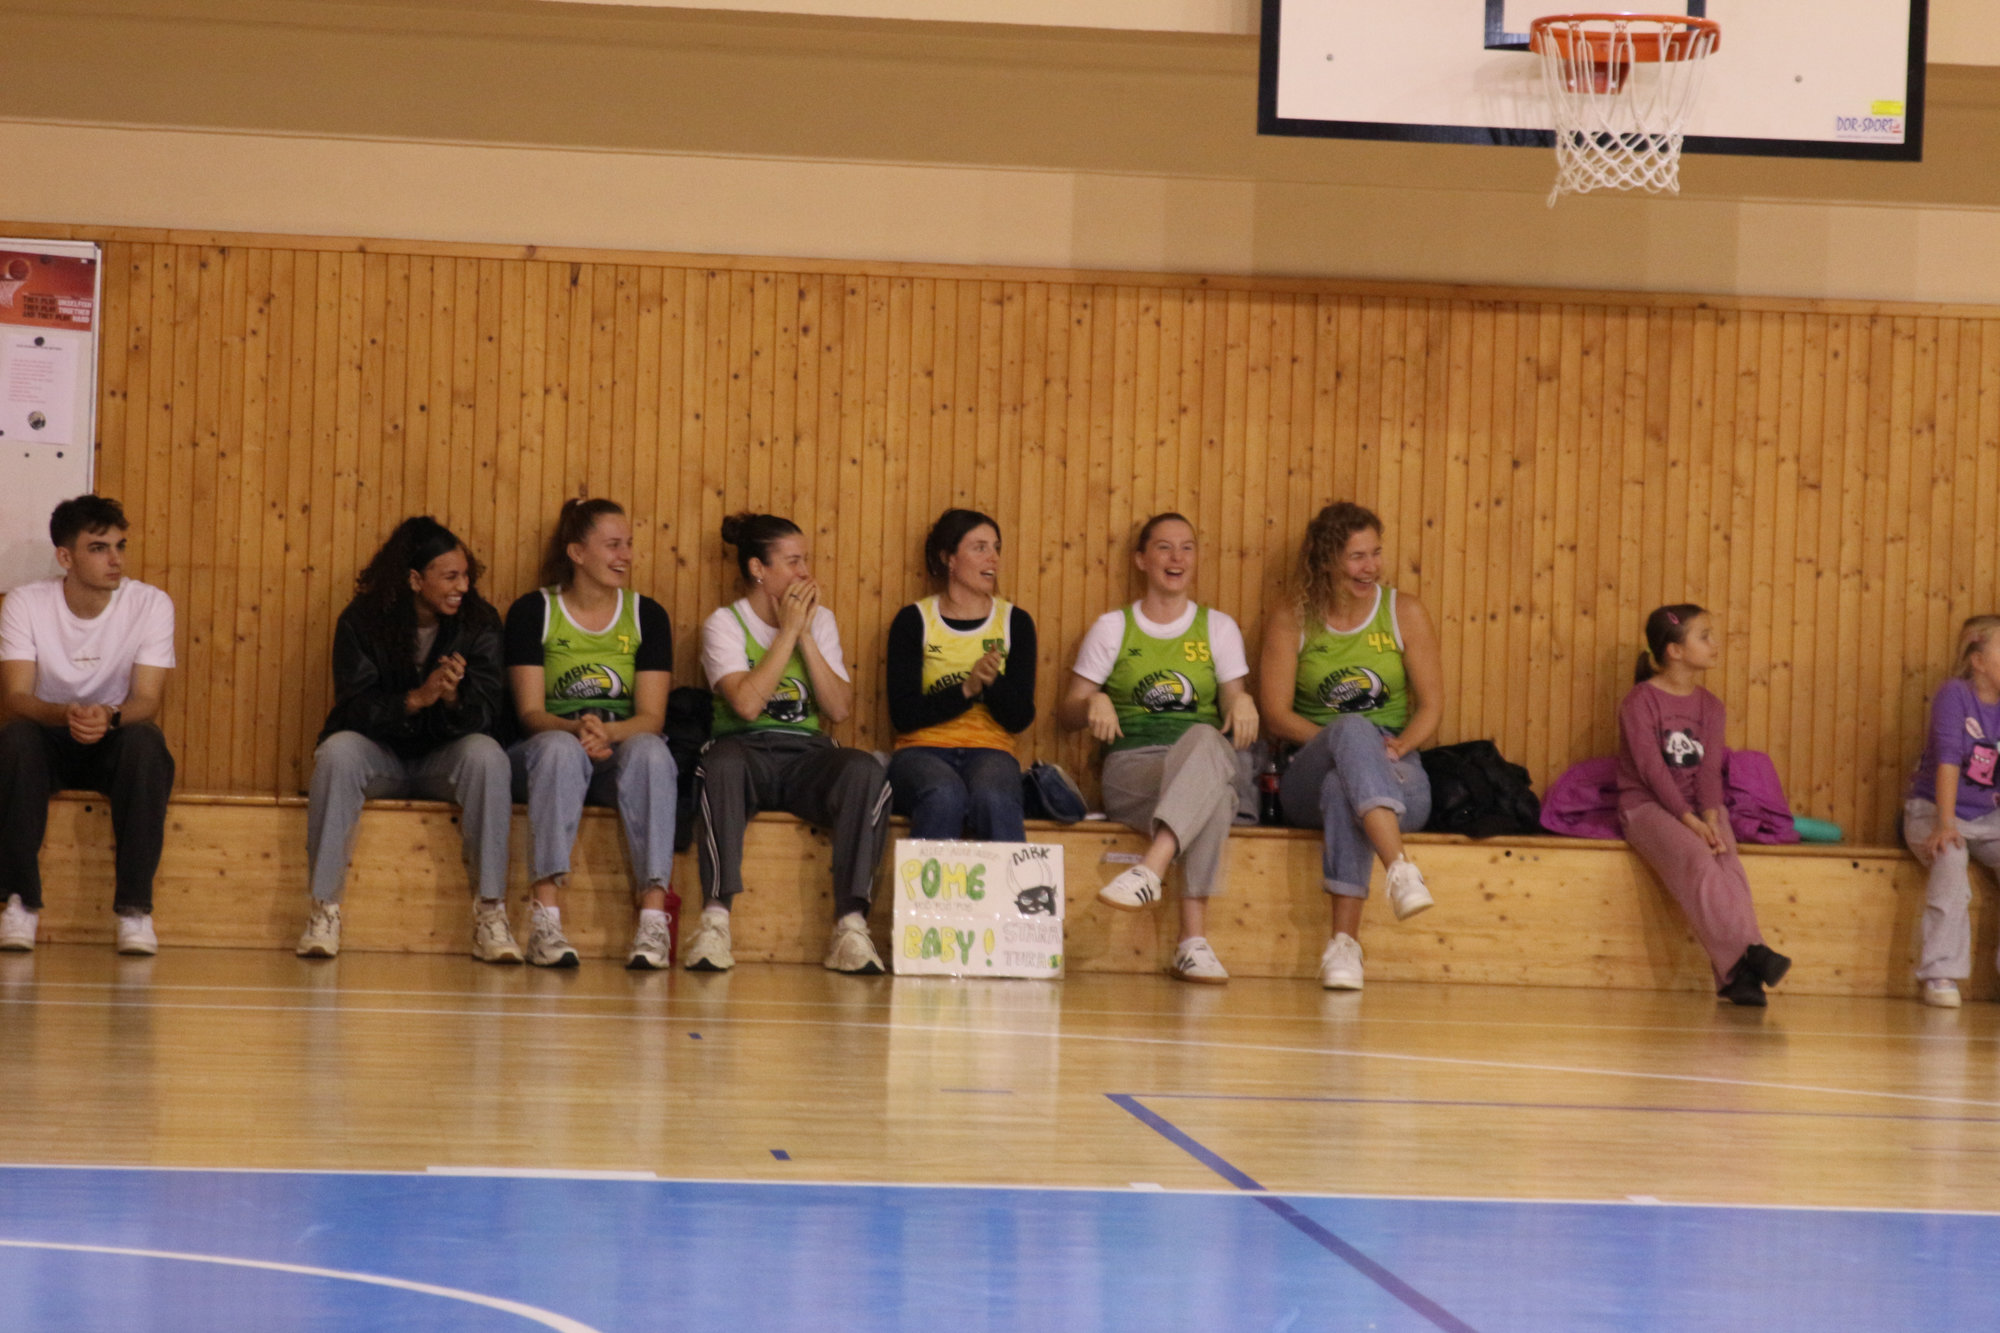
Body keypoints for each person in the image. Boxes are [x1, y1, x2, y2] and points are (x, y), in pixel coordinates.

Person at [299, 517, 515, 962]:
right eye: (450, 576)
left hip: (443, 757)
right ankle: (324, 911)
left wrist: (453, 699)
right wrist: (415, 699)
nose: (462, 586)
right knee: (337, 753)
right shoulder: (362, 620)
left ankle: (491, 914)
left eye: (466, 575)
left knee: (489, 756)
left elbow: (489, 714)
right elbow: (353, 709)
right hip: (382, 756)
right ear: (415, 579)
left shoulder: (479, 621)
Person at [688, 512, 891, 975]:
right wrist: (786, 633)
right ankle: (715, 922)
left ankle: (851, 926)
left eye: (806, 561)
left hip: (806, 755)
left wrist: (806, 636)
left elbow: (838, 708)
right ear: (758, 569)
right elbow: (745, 704)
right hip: (745, 750)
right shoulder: (724, 623)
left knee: (865, 770)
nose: (805, 573)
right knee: (718, 765)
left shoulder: (822, 621)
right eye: (794, 561)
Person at [1059, 513, 1258, 984]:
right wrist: (1093, 701)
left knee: (1208, 746)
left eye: (1187, 547)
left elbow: (1234, 704)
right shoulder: (1113, 627)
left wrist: (1243, 700)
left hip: (1199, 759)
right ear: (1141, 560)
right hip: (1134, 768)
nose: (1177, 557)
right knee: (1216, 794)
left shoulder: (1218, 628)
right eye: (1164, 547)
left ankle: (1151, 871)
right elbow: (1065, 714)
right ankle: (1192, 942)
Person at [1259, 501, 1441, 991]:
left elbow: (1431, 707)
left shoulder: (1405, 612)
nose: (1371, 567)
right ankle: (1398, 868)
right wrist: (1343, 739)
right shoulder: (1292, 618)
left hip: (1395, 767)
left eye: (1375, 553)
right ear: (1326, 561)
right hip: (1307, 772)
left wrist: (1399, 746)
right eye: (1357, 557)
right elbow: (1275, 714)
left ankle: (1344, 947)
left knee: (1345, 787)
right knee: (1351, 732)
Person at [504, 498, 678, 969]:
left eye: (629, 545)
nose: (626, 556)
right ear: (577, 553)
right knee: (558, 750)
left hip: (616, 744)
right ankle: (545, 921)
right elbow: (530, 713)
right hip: (551, 743)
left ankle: (653, 922)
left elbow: (652, 717)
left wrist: (610, 732)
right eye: (614, 545)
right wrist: (575, 728)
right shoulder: (534, 611)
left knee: (652, 753)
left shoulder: (646, 615)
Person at [0, 495, 175, 955]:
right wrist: (68, 714)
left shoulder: (150, 604)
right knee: (14, 740)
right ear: (65, 557)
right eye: (99, 548)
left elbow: (147, 700)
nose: (115, 559)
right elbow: (16, 697)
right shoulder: (25, 602)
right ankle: (19, 903)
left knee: (147, 744)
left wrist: (109, 717)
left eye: (120, 546)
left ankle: (135, 912)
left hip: (113, 734)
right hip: (49, 734)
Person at [1618, 604, 1790, 1007]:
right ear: (1675, 651)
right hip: (1647, 806)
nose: (1715, 643)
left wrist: (1711, 816)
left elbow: (1710, 770)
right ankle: (1751, 952)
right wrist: (1690, 822)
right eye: (1704, 636)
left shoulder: (1710, 706)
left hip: (1700, 808)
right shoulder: (1639, 702)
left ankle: (1737, 977)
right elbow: (1651, 771)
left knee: (1728, 863)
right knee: (1698, 858)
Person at [886, 509, 1037, 843]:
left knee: (994, 796)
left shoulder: (1015, 623)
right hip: (921, 750)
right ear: (949, 558)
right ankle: (929, 882)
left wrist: (992, 684)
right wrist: (966, 690)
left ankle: (1009, 880)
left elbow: (1020, 718)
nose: (993, 558)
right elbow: (903, 715)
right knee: (944, 795)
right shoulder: (914, 620)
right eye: (980, 547)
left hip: (991, 750)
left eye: (996, 547)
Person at [1902, 615, 2000, 1008]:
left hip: (1987, 818)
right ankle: (1940, 972)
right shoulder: (1955, 695)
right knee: (1951, 857)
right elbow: (1947, 759)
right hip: (1933, 808)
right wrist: (1945, 823)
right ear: (1978, 661)